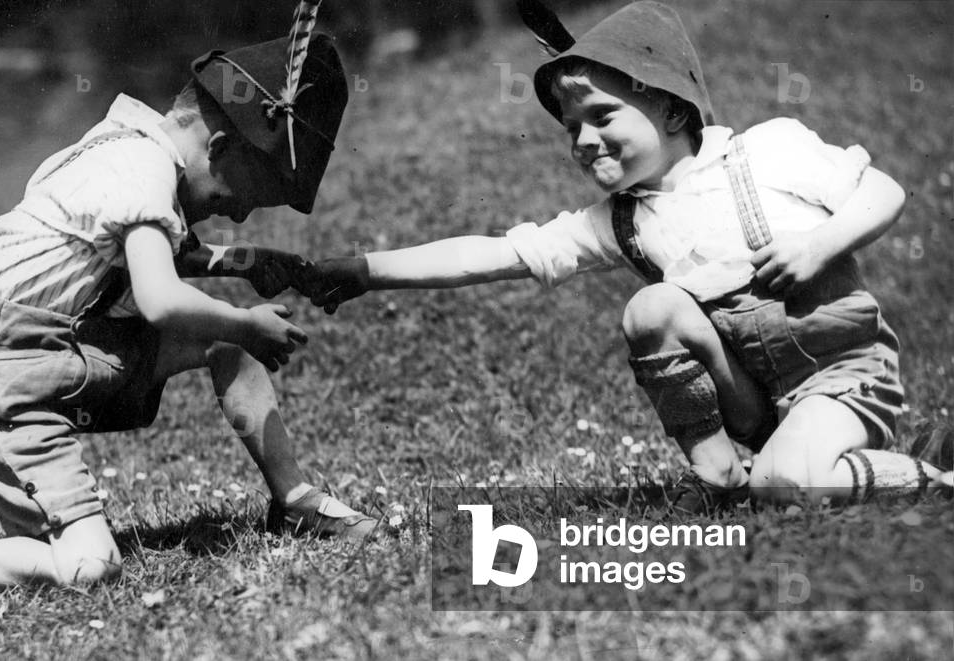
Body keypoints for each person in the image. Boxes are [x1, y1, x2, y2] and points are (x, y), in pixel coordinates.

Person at [300, 1, 952, 511]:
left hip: (841, 378)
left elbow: (881, 190)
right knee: (652, 307)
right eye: (569, 127)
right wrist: (363, 271)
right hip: (754, 396)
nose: (582, 140)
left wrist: (820, 244)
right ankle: (718, 462)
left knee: (785, 484)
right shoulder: (620, 221)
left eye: (601, 117)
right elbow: (493, 254)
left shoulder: (766, 153)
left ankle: (931, 478)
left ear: (669, 109)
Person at [0, 33, 375, 586]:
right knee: (90, 568)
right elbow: (160, 300)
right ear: (217, 148)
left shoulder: (135, 147)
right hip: (13, 385)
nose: (235, 216)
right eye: (234, 200)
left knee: (223, 345)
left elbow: (165, 253)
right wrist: (248, 323)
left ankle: (295, 500)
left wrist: (250, 260)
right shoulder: (139, 172)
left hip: (76, 344)